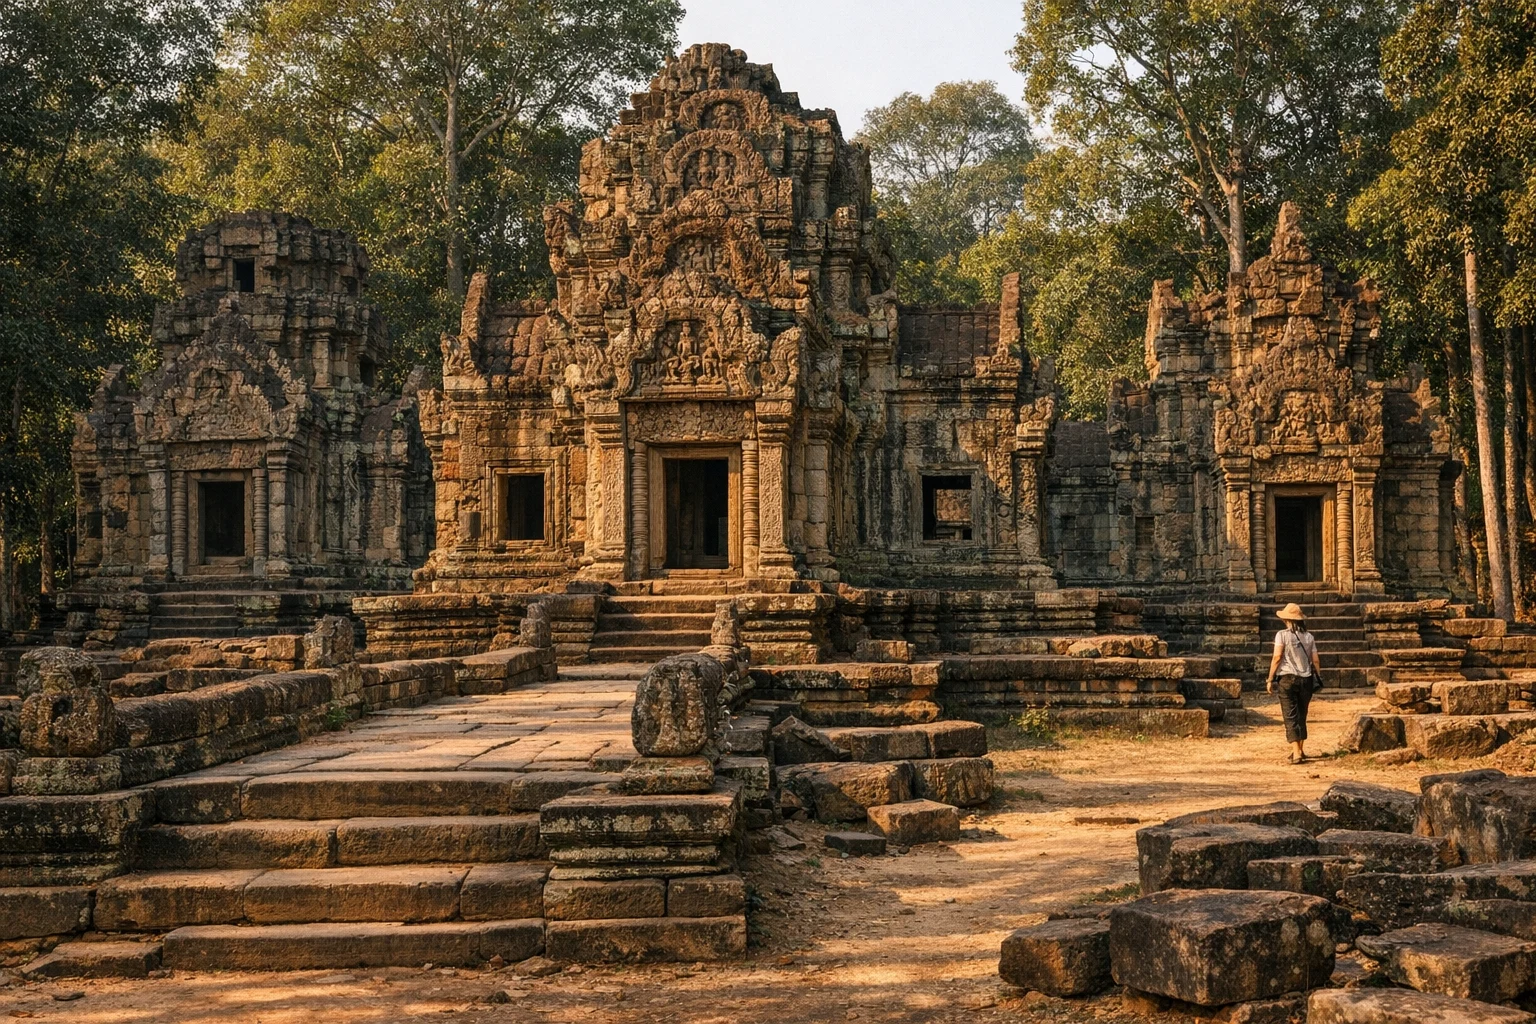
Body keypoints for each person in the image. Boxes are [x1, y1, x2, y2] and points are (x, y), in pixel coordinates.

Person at [1265, 602, 1323, 764]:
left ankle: (1296, 753)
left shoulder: (1281, 635)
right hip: (1306, 679)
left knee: (1290, 715)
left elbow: (1277, 658)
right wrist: (1317, 677)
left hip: (1287, 679)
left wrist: (1270, 678)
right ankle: (1300, 749)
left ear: (1286, 620)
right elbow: (1316, 660)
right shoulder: (1309, 636)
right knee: (1301, 714)